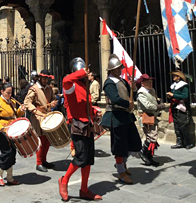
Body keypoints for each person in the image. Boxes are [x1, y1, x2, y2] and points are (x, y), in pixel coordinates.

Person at [58, 57, 102, 201]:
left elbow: (85, 107)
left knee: (88, 159)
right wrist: (81, 72)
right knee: (80, 157)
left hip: (87, 124)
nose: (89, 75)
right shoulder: (72, 85)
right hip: (77, 125)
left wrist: (94, 112)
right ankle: (64, 181)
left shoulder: (85, 87)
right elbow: (65, 81)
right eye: (86, 73)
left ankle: (84, 189)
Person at [102, 55, 142, 184]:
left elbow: (130, 93)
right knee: (119, 146)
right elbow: (115, 99)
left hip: (126, 116)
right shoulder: (109, 82)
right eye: (118, 68)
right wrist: (127, 104)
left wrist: (134, 87)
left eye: (120, 68)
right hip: (116, 116)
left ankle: (122, 163)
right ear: (112, 70)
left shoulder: (123, 81)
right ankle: (121, 172)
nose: (120, 70)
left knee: (134, 143)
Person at [0, 83, 26, 186]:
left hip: (12, 131)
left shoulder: (13, 102)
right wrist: (1, 128)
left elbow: (16, 115)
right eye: (7, 93)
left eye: (11, 93)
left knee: (13, 153)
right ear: (2, 91)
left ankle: (10, 178)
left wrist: (21, 110)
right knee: (7, 153)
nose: (10, 95)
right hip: (2, 133)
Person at [23, 69, 57, 172]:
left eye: (47, 78)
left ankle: (44, 160)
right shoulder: (34, 89)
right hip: (38, 117)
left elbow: (52, 99)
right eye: (44, 78)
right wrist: (34, 110)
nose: (45, 80)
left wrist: (53, 103)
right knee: (41, 140)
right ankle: (38, 163)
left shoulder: (49, 89)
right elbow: (27, 102)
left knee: (47, 140)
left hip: (47, 116)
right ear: (40, 77)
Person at [136, 74, 165, 167]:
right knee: (151, 136)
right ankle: (143, 152)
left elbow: (154, 100)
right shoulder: (141, 93)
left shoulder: (152, 90)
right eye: (148, 82)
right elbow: (147, 105)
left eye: (151, 81)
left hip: (153, 116)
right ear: (143, 83)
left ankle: (149, 156)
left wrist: (159, 102)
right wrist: (157, 107)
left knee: (154, 136)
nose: (151, 83)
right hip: (146, 116)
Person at [167, 71, 194, 149]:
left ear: (179, 77)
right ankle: (180, 142)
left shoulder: (184, 85)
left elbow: (185, 96)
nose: (173, 77)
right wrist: (170, 96)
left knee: (183, 126)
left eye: (175, 76)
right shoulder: (173, 85)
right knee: (177, 126)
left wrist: (174, 95)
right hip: (175, 107)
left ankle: (188, 142)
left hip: (182, 108)